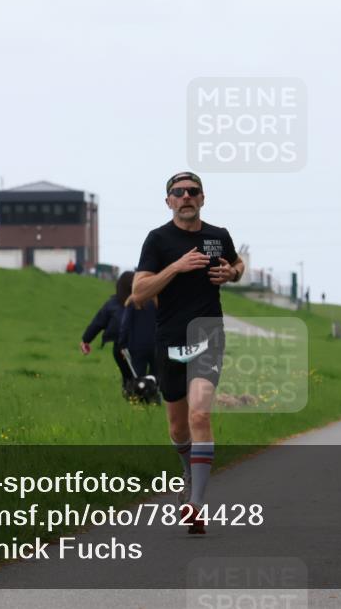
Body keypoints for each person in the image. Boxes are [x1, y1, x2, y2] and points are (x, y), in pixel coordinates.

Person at [132, 171, 244, 535]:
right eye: (178, 193)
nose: (185, 197)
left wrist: (232, 272)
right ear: (168, 201)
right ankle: (186, 469)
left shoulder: (218, 236)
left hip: (208, 333)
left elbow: (237, 264)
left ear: (202, 198)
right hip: (170, 338)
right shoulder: (158, 240)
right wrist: (177, 267)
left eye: (192, 191)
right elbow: (139, 293)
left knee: (199, 415)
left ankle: (196, 503)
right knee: (178, 426)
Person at [80, 271, 135, 385]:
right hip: (142, 345)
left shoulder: (112, 304)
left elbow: (98, 323)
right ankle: (144, 395)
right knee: (140, 374)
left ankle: (132, 395)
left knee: (128, 376)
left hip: (120, 348)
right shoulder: (146, 302)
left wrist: (86, 340)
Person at [119, 290, 158, 387]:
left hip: (137, 346)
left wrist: (122, 345)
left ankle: (139, 397)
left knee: (138, 377)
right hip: (156, 345)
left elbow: (125, 325)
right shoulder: (157, 302)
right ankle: (153, 396)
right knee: (155, 376)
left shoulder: (132, 302)